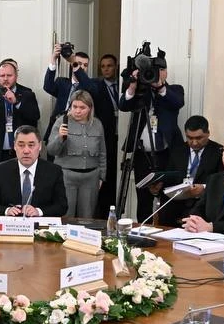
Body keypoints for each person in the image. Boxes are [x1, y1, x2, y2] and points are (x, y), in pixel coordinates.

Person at [120, 61, 184, 222]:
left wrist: (159, 87)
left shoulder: (175, 89)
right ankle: (143, 230)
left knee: (167, 198)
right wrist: (132, 87)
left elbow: (177, 102)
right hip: (142, 155)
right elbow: (123, 105)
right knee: (143, 200)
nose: (157, 73)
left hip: (166, 154)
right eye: (154, 70)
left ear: (166, 72)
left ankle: (164, 231)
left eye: (161, 69)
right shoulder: (141, 92)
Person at [0, 59, 41, 188]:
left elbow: (35, 116)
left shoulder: (27, 94)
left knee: (19, 188)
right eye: (2, 76)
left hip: (21, 151)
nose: (5, 79)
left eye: (9, 75)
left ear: (16, 76)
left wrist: (16, 102)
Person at [45, 90, 106, 219]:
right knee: (66, 215)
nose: (78, 111)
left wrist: (101, 176)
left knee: (87, 217)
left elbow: (102, 153)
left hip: (91, 177)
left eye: (82, 108)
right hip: (66, 176)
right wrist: (60, 137)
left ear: (90, 108)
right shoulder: (61, 122)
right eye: (75, 107)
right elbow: (51, 150)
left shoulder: (97, 124)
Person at [153, 115, 223, 228]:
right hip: (178, 200)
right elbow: (169, 179)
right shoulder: (177, 150)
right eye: (190, 138)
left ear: (208, 133)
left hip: (203, 201)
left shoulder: (219, 152)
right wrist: (157, 188)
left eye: (199, 138)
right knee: (165, 211)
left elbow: (222, 182)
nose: (194, 142)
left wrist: (204, 188)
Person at [0, 126, 69, 218]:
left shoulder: (54, 171)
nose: (26, 151)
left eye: (31, 145)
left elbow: (62, 206)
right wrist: (7, 210)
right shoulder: (0, 170)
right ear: (14, 146)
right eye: (21, 145)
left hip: (40, 224)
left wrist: (38, 211)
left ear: (40, 146)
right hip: (11, 224)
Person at [85, 53, 122, 213]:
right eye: (103, 66)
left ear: (116, 67)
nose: (106, 69)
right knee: (106, 176)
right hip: (106, 135)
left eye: (110, 66)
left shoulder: (123, 85)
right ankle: (104, 211)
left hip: (122, 135)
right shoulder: (96, 85)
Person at [42, 43, 90, 141]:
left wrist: (75, 63)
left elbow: (89, 86)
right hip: (56, 128)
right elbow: (47, 87)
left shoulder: (89, 86)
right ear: (71, 64)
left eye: (85, 65)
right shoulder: (62, 82)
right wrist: (54, 58)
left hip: (77, 132)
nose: (82, 67)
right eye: (79, 63)